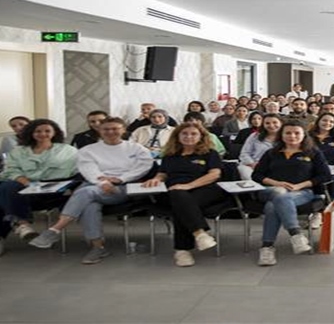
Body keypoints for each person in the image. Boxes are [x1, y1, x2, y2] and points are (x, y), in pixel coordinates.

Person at [28, 117, 154, 264]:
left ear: (123, 130)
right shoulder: (88, 150)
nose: (110, 132)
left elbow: (143, 167)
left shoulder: (136, 148)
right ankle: (98, 247)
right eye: (106, 129)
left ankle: (56, 229)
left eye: (115, 128)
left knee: (85, 192)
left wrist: (121, 179)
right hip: (95, 185)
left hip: (122, 188)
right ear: (99, 131)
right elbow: (89, 170)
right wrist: (103, 183)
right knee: (89, 204)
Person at [142, 123, 225, 267]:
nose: (188, 137)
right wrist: (156, 179)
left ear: (201, 136)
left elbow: (214, 175)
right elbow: (163, 173)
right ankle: (199, 234)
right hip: (176, 191)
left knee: (180, 202)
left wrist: (188, 186)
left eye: (193, 134)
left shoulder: (210, 153)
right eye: (184, 134)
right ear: (177, 136)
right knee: (180, 199)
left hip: (205, 189)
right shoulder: (170, 155)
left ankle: (182, 250)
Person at [252, 122, 331, 266]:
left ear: (303, 135)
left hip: (302, 192)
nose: (292, 136)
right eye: (287, 133)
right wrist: (276, 183)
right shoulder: (271, 153)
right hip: (270, 190)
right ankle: (295, 234)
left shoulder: (313, 152)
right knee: (279, 193)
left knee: (272, 206)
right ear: (281, 135)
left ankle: (266, 247)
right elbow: (256, 175)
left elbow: (325, 176)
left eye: (296, 133)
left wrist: (300, 185)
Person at [0, 119, 78, 254]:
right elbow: (10, 170)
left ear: (54, 133)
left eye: (47, 131)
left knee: (2, 198)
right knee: (7, 187)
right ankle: (23, 224)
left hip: (53, 193)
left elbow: (75, 172)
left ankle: (18, 225)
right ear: (31, 133)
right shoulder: (18, 151)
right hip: (22, 190)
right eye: (38, 131)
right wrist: (25, 181)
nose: (43, 134)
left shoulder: (68, 150)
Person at [237, 113, 283, 181]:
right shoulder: (254, 136)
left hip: (276, 167)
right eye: (267, 123)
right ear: (263, 125)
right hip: (253, 165)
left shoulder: (287, 137)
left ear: (281, 123)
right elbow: (244, 153)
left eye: (275, 122)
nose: (271, 125)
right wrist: (253, 164)